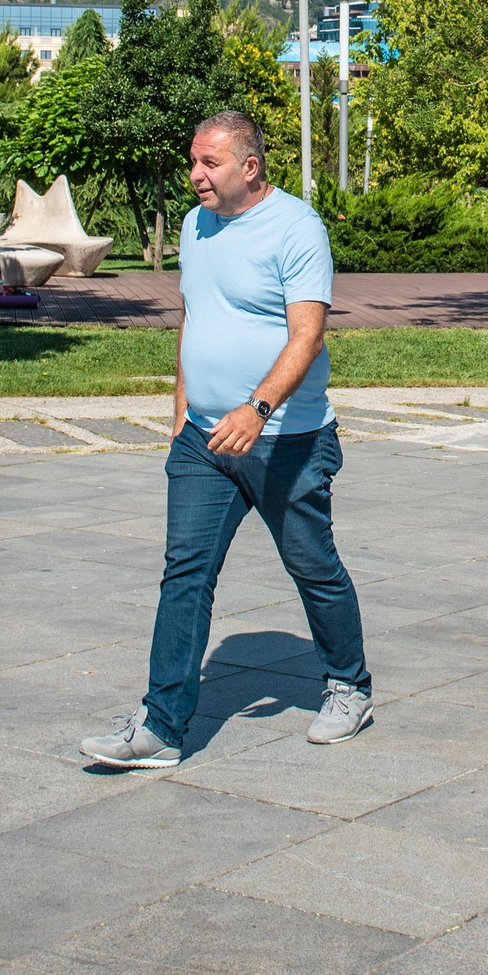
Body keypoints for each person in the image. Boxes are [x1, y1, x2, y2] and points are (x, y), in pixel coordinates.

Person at [81, 111, 372, 768]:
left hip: (286, 438)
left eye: (209, 163)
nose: (195, 175)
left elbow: (307, 335)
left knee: (312, 565)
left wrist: (257, 407)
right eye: (193, 161)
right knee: (185, 572)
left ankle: (348, 684)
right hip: (203, 438)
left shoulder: (297, 227)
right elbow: (194, 313)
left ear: (251, 166)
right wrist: (182, 404)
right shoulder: (196, 224)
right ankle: (161, 726)